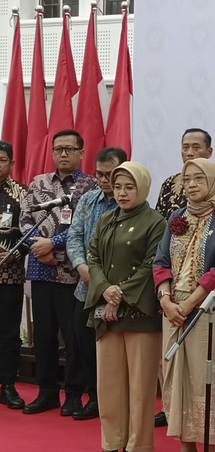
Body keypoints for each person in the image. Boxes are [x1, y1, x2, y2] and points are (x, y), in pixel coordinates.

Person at [154, 158, 215, 452]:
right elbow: (160, 262)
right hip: (174, 313)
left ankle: (210, 447)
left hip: (209, 316)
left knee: (207, 383)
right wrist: (166, 301)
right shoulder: (177, 216)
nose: (191, 185)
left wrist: (190, 305)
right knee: (176, 379)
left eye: (198, 179)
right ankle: (186, 445)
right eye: (187, 179)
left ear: (214, 182)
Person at [85, 162, 165, 452]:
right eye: (117, 186)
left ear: (142, 187)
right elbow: (93, 256)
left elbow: (152, 264)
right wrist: (105, 290)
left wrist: (120, 295)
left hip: (139, 314)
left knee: (140, 389)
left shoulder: (156, 222)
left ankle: (137, 445)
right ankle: (111, 441)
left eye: (129, 187)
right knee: (108, 385)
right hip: (106, 311)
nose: (122, 192)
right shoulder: (106, 218)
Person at [19, 129, 97, 415]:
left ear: (81, 153)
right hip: (40, 270)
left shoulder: (90, 186)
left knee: (74, 337)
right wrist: (38, 246)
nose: (63, 154)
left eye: (69, 149)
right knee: (44, 337)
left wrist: (53, 244)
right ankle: (47, 392)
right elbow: (25, 219)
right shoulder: (39, 183)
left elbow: (81, 227)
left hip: (71, 276)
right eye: (58, 149)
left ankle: (74, 394)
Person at [66, 147, 127, 420]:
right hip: (85, 289)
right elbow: (74, 236)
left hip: (118, 292)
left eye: (109, 174)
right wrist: (81, 266)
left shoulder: (131, 203)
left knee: (114, 351)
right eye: (98, 174)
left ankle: (116, 400)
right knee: (86, 347)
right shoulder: (88, 200)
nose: (103, 180)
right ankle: (95, 397)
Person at [0, 141, 29, 410]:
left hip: (9, 276)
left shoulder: (23, 194)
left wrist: (14, 255)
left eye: (1, 159)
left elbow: (32, 235)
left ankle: (8, 385)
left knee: (8, 333)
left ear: (11, 163)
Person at [156, 127, 215, 220]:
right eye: (185, 148)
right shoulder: (170, 183)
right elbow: (160, 219)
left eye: (196, 148)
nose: (189, 153)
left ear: (209, 152)